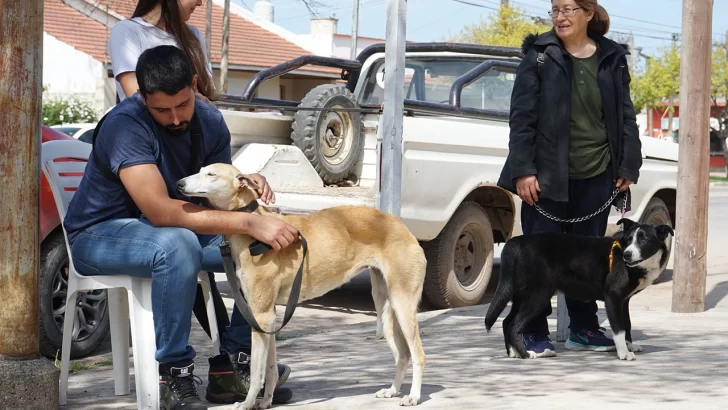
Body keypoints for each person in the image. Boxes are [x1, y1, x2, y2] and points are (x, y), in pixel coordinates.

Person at [64, 46, 297, 409]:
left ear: (193, 84)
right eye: (161, 110)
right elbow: (160, 212)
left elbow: (217, 194)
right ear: (142, 96)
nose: (174, 119)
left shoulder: (209, 119)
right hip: (100, 235)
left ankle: (233, 367)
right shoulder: (126, 125)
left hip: (171, 229)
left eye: (182, 105)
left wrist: (248, 188)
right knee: (177, 245)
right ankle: (173, 374)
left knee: (257, 243)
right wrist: (249, 220)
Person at [497, 0, 641, 358]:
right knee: (538, 260)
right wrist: (523, 170)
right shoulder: (540, 54)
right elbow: (522, 117)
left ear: (588, 13)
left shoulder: (611, 57)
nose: (559, 17)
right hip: (544, 177)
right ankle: (531, 332)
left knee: (590, 261)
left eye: (568, 9)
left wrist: (628, 167)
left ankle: (584, 329)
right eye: (555, 10)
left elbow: (626, 116)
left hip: (598, 175)